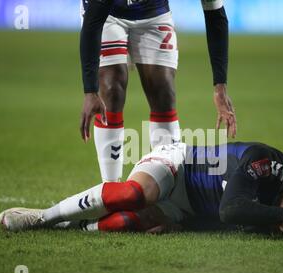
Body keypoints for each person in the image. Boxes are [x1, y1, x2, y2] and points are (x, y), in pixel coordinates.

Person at [0, 142, 283, 238]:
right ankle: (42, 218)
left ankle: (72, 227)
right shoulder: (266, 162)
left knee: (125, 224)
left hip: (188, 209)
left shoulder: (278, 216)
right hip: (178, 166)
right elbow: (231, 209)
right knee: (133, 196)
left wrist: (183, 224)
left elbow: (222, 221)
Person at [80, 0, 237, 182]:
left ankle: (168, 188)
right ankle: (111, 187)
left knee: (164, 93)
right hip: (109, 15)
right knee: (111, 88)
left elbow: (215, 16)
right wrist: (90, 91)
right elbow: (93, 22)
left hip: (153, 13)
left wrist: (220, 88)